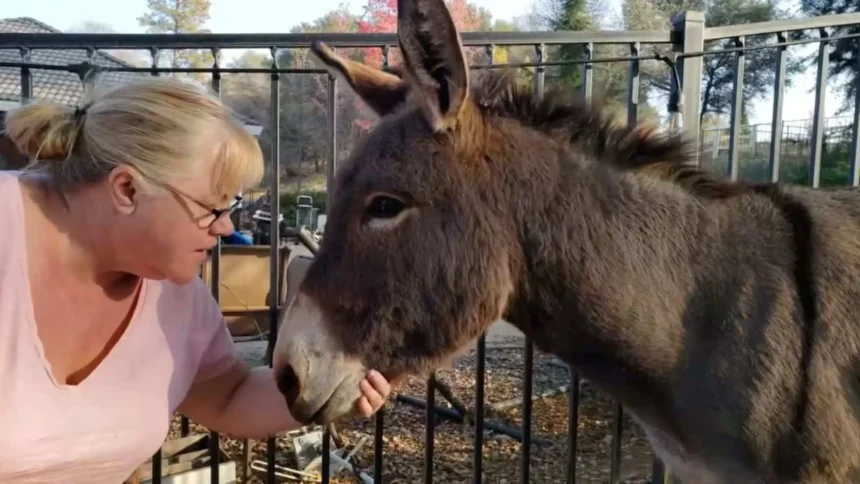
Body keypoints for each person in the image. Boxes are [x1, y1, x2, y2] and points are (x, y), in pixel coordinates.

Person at [0, 76, 391, 483]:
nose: (225, 227)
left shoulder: (176, 296)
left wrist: (327, 388)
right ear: (128, 189)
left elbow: (227, 397)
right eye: (213, 208)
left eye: (231, 207)